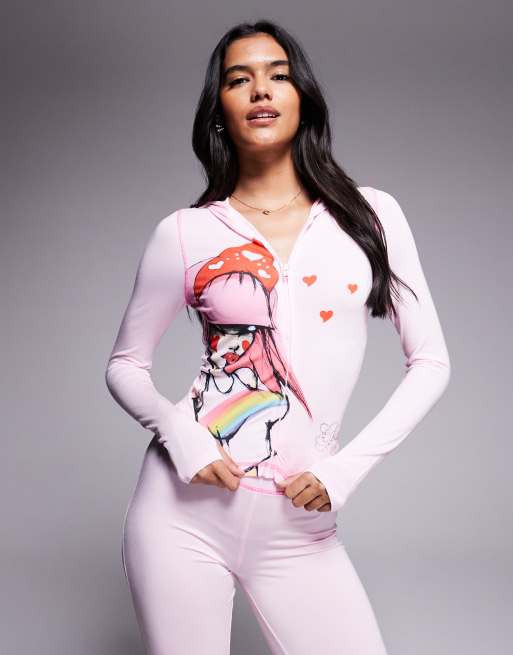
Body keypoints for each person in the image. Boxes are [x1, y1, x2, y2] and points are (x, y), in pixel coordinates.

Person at [104, 19, 451, 655]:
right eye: (239, 79)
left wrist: (345, 470)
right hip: (180, 516)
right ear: (219, 112)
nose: (261, 90)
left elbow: (430, 362)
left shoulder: (371, 215)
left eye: (278, 75)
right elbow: (125, 364)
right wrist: (178, 432)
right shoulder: (184, 233)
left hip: (301, 528)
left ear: (302, 99)